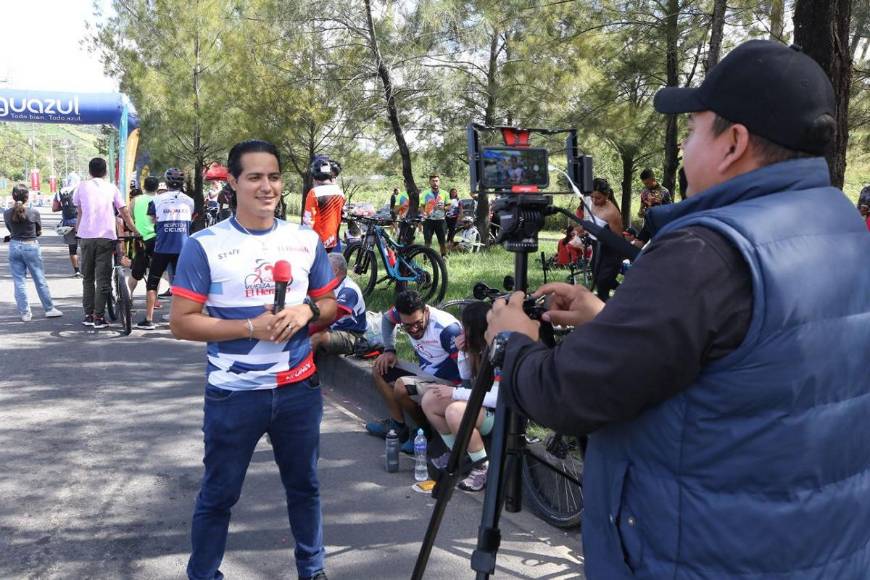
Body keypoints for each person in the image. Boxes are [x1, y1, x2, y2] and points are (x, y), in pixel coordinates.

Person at [485, 40, 870, 579]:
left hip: (696, 555)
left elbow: (569, 395)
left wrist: (513, 342)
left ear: (733, 142)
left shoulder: (704, 252)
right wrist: (611, 321)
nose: (685, 147)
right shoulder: (840, 221)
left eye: (692, 130)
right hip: (816, 548)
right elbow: (761, 352)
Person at [170, 140, 337, 580]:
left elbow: (330, 304)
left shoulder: (305, 239)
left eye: (274, 177)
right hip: (233, 395)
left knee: (305, 488)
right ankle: (203, 574)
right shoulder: (203, 245)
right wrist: (249, 328)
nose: (267, 187)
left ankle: (313, 570)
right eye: (255, 177)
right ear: (234, 182)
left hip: (298, 390)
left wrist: (307, 311)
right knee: (219, 494)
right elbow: (182, 323)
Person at [366, 290, 461, 453]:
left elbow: (465, 368)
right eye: (407, 325)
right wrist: (389, 349)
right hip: (425, 374)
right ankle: (398, 426)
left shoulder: (447, 330)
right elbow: (387, 319)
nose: (414, 329)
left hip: (449, 383)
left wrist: (461, 396)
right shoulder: (401, 314)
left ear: (426, 311)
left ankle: (421, 432)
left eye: (418, 322)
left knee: (402, 386)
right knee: (379, 368)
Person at [421, 301, 494, 491]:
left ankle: (481, 467)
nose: (462, 334)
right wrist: (463, 353)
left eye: (465, 329)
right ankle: (458, 455)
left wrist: (454, 393)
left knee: (455, 411)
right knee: (430, 400)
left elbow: (495, 397)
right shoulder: (477, 348)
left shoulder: (497, 351)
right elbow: (467, 379)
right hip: (480, 406)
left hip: (498, 414)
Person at [73, 157, 138, 329]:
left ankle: (88, 315)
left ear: (89, 171)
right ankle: (99, 317)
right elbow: (124, 211)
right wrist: (135, 230)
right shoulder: (111, 188)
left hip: (85, 237)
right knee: (103, 278)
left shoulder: (81, 187)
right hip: (106, 237)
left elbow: (79, 212)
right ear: (105, 171)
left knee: (87, 278)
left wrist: (77, 232)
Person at [137, 168, 194, 330]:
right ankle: (179, 318)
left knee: (153, 283)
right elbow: (191, 217)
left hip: (162, 247)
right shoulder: (189, 201)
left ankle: (149, 319)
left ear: (166, 183)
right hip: (182, 247)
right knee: (181, 284)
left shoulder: (156, 200)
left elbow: (153, 220)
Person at [4, 184, 64, 321]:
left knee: (19, 281)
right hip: (30, 245)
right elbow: (39, 231)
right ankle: (49, 309)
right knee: (39, 278)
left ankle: (25, 313)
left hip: (14, 246)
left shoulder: (7, 213)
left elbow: (10, 229)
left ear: (13, 197)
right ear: (27, 197)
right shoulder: (33, 212)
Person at [310, 253, 367, 356]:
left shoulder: (349, 290)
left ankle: (304, 368)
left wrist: (307, 330)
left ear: (335, 271)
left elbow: (333, 316)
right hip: (333, 329)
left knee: (316, 338)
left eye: (324, 268)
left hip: (352, 335)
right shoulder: (328, 285)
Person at [587, 177, 624, 301]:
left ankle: (605, 312)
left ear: (607, 195)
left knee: (602, 284)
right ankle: (628, 293)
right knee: (598, 279)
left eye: (598, 198)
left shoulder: (612, 213)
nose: (594, 200)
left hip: (611, 251)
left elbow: (618, 239)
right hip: (596, 247)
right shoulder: (589, 201)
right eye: (592, 197)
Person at [302, 155, 344, 253]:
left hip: (317, 241)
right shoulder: (339, 192)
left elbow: (308, 221)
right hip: (334, 241)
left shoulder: (314, 193)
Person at [128, 176, 158, 297]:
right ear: (156, 187)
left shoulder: (135, 200)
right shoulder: (161, 199)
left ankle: (129, 296)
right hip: (158, 239)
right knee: (156, 271)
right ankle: (154, 300)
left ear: (143, 187)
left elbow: (129, 217)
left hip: (141, 239)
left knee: (136, 271)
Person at [52, 183, 81, 277]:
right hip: (81, 223)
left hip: (67, 224)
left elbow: (54, 208)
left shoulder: (59, 192)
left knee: (72, 249)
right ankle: (88, 270)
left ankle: (77, 271)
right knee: (86, 248)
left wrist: (64, 207)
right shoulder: (80, 189)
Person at [422, 174, 449, 257]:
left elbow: (449, 206)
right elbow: (421, 206)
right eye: (433, 181)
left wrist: (444, 207)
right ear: (429, 182)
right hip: (428, 221)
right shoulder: (425, 193)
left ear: (439, 182)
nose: (435, 183)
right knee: (427, 242)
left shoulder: (445, 193)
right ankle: (426, 259)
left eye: (436, 181)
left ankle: (444, 257)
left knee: (442, 242)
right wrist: (423, 213)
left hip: (440, 220)